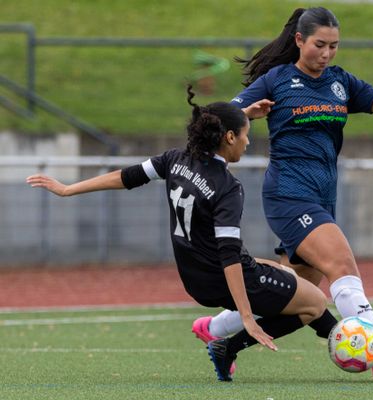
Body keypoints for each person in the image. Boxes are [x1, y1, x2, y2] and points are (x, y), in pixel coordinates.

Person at [26, 86, 339, 383]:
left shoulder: (176, 160)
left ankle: (348, 338)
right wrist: (246, 316)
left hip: (193, 278)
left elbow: (128, 176)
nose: (248, 142)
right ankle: (230, 347)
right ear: (229, 137)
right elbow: (229, 254)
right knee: (314, 301)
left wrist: (69, 189)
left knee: (281, 272)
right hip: (222, 274)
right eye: (246, 135)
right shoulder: (228, 188)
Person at [196, 6, 373, 379]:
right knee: (342, 265)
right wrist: (250, 113)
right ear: (300, 40)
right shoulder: (277, 79)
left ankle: (218, 331)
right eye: (320, 44)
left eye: (334, 46)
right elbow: (218, 117)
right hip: (288, 193)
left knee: (297, 297)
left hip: (322, 196)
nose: (327, 53)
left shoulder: (342, 82)